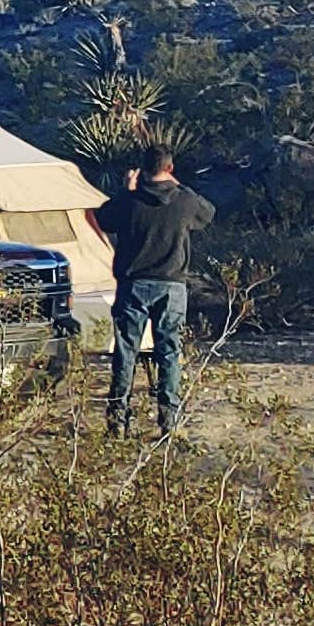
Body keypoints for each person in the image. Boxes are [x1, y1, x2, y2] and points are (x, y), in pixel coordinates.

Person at [102, 146, 213, 439]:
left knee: (126, 352)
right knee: (168, 352)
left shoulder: (129, 202)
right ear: (170, 168)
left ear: (141, 170)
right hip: (172, 286)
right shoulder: (184, 201)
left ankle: (118, 420)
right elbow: (208, 213)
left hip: (133, 284)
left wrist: (126, 190)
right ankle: (169, 421)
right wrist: (179, 186)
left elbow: (103, 218)